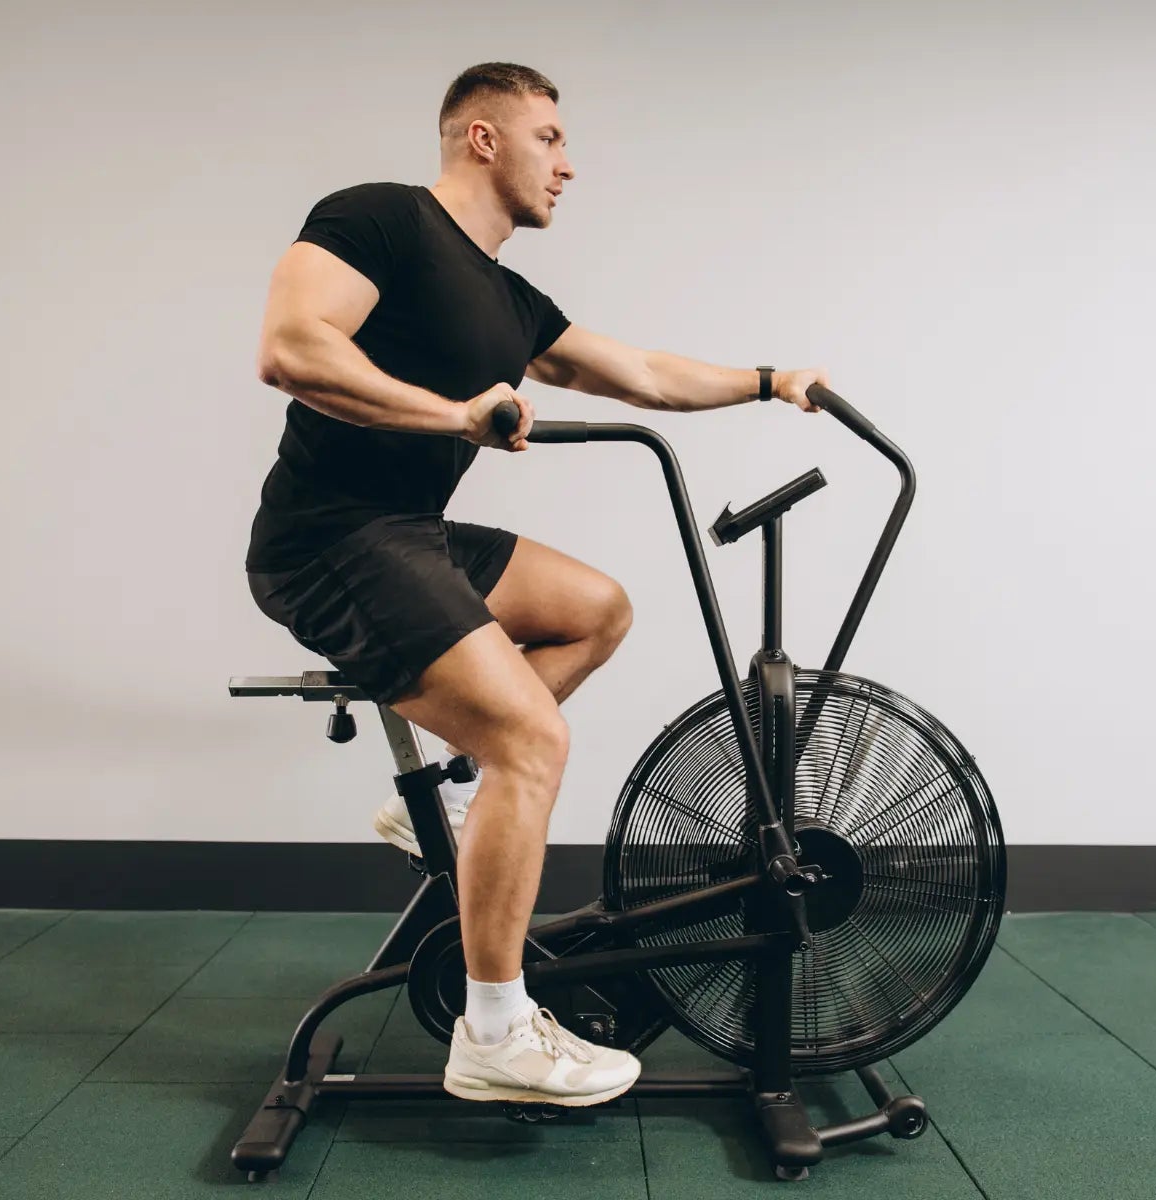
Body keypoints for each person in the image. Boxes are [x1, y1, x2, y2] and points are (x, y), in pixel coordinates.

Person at [246, 61, 827, 1108]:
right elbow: (291, 348)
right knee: (533, 739)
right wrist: (455, 413)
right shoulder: (378, 220)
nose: (569, 162)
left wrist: (767, 381)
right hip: (326, 541)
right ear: (483, 138)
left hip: (408, 535)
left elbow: (643, 375)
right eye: (551, 137)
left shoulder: (508, 298)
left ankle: (457, 793)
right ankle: (497, 1028)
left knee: (596, 609)